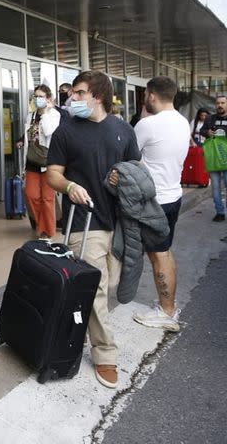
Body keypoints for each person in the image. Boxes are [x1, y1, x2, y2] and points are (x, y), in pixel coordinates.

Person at [46, 70, 141, 389]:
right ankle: (106, 354)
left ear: (98, 96)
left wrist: (124, 177)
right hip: (84, 224)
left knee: (110, 285)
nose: (72, 98)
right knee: (96, 289)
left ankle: (77, 325)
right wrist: (69, 186)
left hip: (120, 223)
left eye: (79, 93)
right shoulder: (65, 131)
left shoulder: (123, 130)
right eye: (72, 93)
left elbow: (137, 170)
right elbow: (53, 175)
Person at [125, 76, 190, 332]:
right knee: (165, 251)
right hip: (173, 196)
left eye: (145, 96)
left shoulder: (147, 125)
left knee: (158, 255)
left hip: (154, 203)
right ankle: (168, 306)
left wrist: (142, 118)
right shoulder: (182, 121)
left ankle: (167, 311)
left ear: (151, 96)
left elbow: (129, 157)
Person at [17, 85, 61, 239]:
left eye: (41, 96)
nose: (37, 99)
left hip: (48, 162)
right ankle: (42, 225)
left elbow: (49, 131)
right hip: (32, 161)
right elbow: (29, 136)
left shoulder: (54, 114)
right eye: (35, 96)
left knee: (47, 199)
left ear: (48, 99)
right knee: (31, 195)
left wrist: (45, 112)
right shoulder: (30, 114)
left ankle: (47, 232)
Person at [199, 94, 227, 222]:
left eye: (222, 103)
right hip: (214, 158)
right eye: (218, 103)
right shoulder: (210, 118)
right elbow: (202, 131)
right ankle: (220, 212)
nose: (220, 105)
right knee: (215, 187)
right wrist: (207, 132)